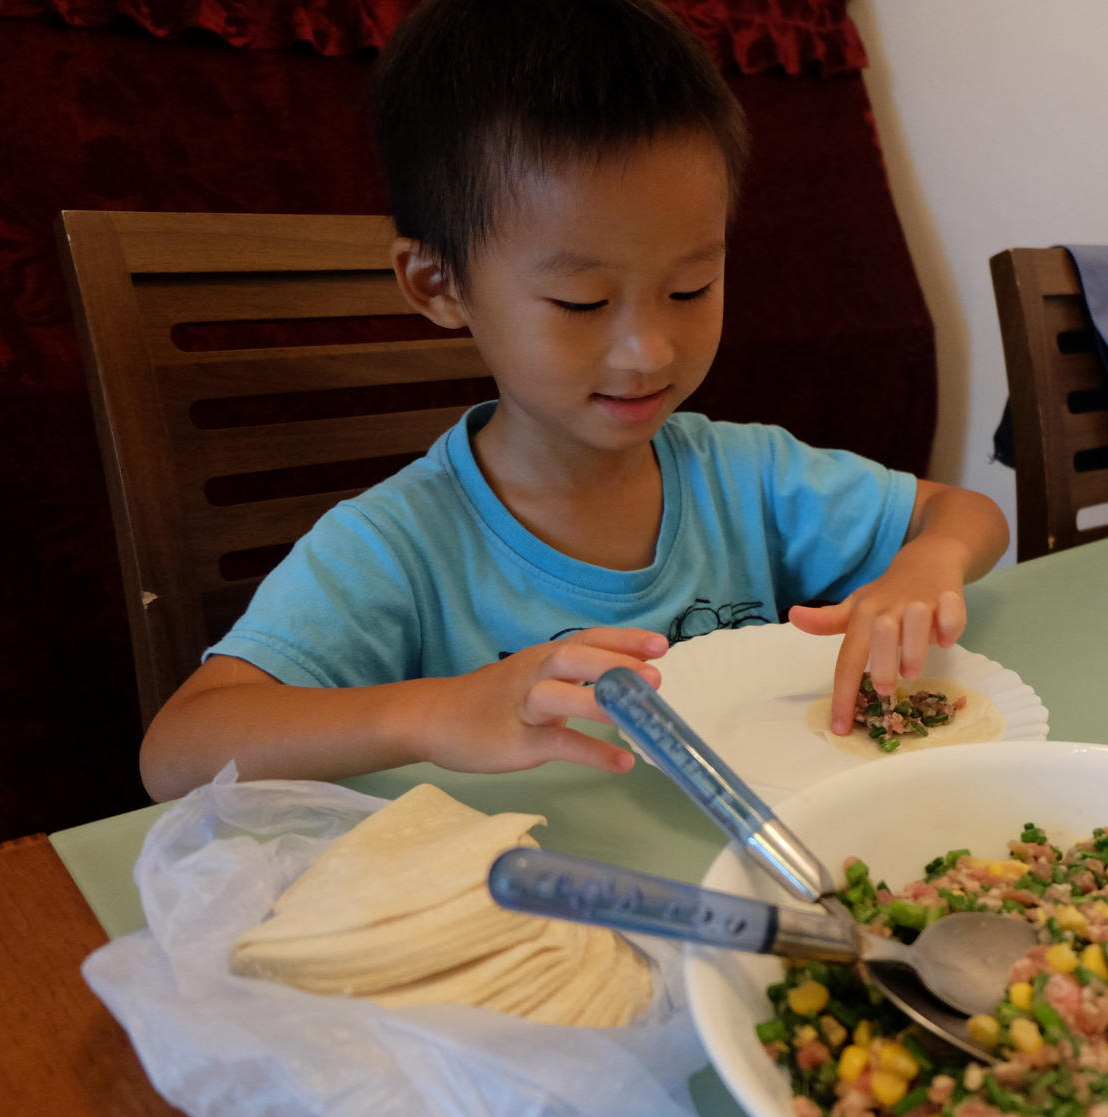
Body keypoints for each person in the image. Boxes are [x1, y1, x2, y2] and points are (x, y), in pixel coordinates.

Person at [138, 0, 1008, 802]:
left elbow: (966, 514)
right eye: (583, 302)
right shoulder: (397, 546)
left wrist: (923, 566)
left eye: (691, 287)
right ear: (437, 284)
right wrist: (434, 712)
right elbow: (177, 751)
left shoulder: (744, 475)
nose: (648, 350)